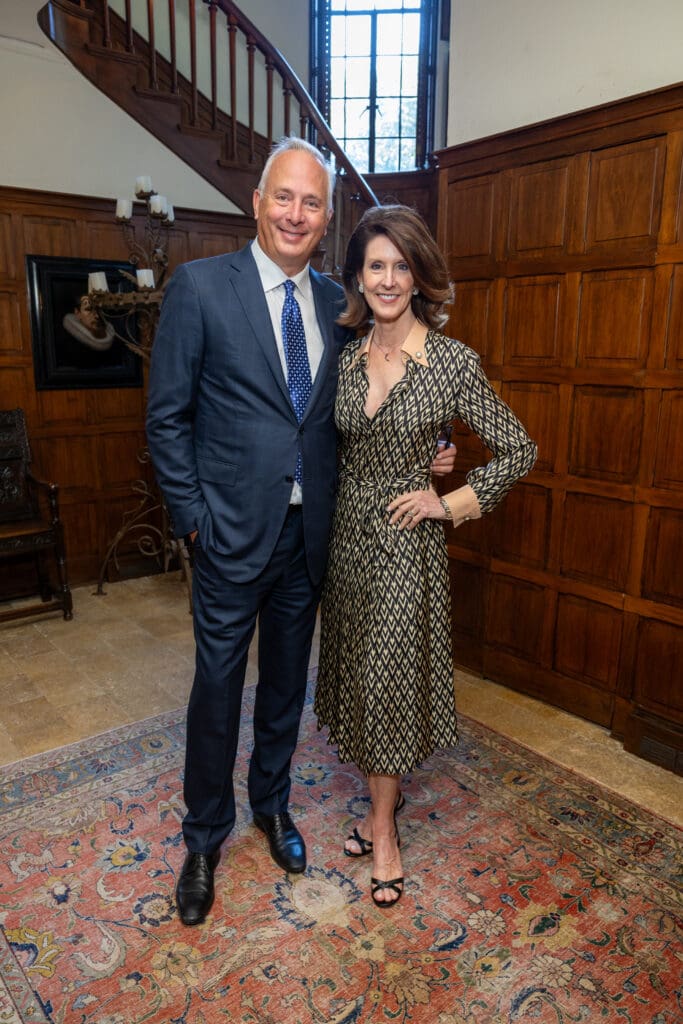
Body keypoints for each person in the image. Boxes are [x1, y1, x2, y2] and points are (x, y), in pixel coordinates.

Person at [145, 139, 456, 927]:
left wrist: (432, 446)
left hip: (311, 536)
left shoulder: (339, 305)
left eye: (311, 202)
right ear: (257, 203)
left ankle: (271, 805)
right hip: (226, 536)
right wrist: (193, 521)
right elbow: (166, 418)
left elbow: (379, 395)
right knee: (218, 690)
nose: (295, 213)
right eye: (283, 197)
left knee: (286, 686)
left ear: (325, 219)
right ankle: (204, 838)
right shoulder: (199, 288)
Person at [314, 204, 537, 908]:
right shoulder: (344, 358)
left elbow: (519, 449)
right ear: (358, 276)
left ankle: (381, 828)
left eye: (400, 266)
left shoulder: (450, 362)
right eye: (375, 265)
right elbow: (332, 447)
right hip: (347, 543)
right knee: (360, 680)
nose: (387, 279)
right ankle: (384, 801)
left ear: (418, 277)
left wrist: (450, 501)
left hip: (407, 547)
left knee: (387, 681)